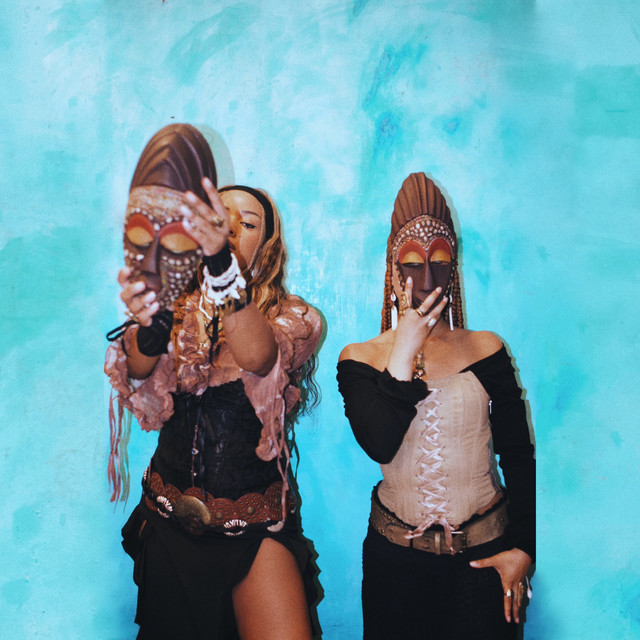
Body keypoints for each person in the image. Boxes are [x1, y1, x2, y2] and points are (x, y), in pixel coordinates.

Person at [105, 124, 322, 640]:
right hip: (167, 520)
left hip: (255, 529)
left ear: (267, 246)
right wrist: (154, 320)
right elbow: (138, 370)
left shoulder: (296, 318)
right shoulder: (176, 311)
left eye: (246, 223)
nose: (228, 229)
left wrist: (220, 263)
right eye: (217, 218)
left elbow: (259, 357)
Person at [337, 172, 535, 639]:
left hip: (486, 559)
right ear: (392, 268)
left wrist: (524, 549)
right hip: (394, 567)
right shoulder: (359, 358)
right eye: (411, 262)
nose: (426, 277)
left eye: (441, 260)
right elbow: (380, 443)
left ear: (454, 268)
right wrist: (404, 351)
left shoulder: (486, 348)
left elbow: (518, 454)